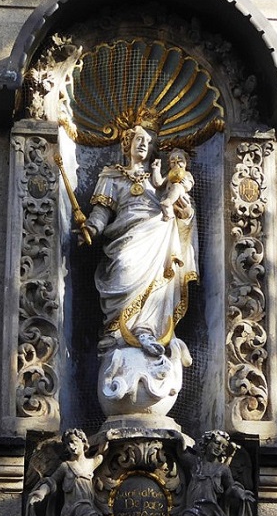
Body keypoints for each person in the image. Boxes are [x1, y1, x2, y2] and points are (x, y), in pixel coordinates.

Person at [83, 126, 198, 358]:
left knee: (159, 282)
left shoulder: (161, 179)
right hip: (125, 236)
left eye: (148, 141)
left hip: (158, 232)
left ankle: (146, 329)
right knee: (123, 265)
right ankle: (115, 331)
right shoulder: (112, 175)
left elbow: (180, 206)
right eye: (138, 139)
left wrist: (185, 214)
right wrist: (91, 227)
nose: (143, 144)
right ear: (128, 143)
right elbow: (102, 211)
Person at [26, 429, 134, 516]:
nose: (71, 447)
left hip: (87, 507)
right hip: (73, 510)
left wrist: (107, 437)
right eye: (68, 444)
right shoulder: (66, 466)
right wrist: (41, 492)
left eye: (74, 442)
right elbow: (51, 482)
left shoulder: (91, 463)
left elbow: (103, 452)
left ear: (83, 443)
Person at [149, 430, 255, 516]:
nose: (219, 448)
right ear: (207, 443)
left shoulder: (222, 469)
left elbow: (231, 487)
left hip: (209, 511)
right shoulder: (196, 463)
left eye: (223, 447)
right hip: (194, 510)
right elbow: (181, 453)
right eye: (216, 443)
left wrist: (240, 493)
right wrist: (177, 436)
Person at [153, 148, 193, 222]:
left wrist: (186, 184)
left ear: (186, 162)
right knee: (163, 200)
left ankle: (169, 201)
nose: (176, 162)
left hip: (181, 197)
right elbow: (158, 183)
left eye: (180, 160)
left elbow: (189, 186)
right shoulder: (170, 174)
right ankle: (169, 215)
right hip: (168, 196)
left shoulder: (187, 174)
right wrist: (156, 169)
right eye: (172, 161)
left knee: (176, 186)